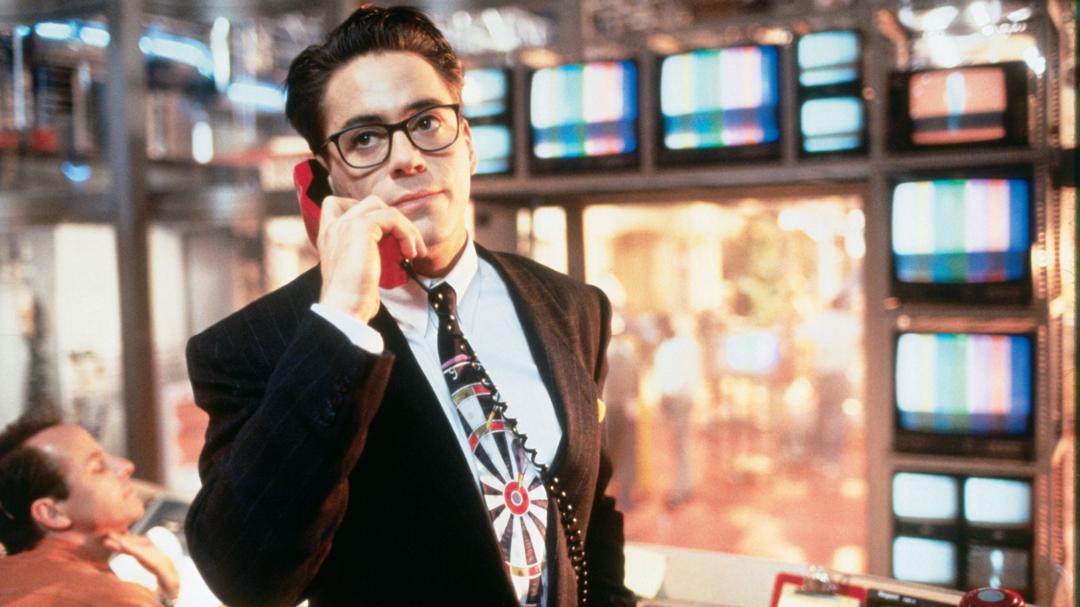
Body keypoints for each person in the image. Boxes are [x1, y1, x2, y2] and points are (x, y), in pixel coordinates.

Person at [183, 5, 634, 606]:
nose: (408, 157)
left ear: (466, 143)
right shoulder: (253, 346)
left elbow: (590, 511)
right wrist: (341, 320)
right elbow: (248, 580)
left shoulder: (572, 306)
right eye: (365, 139)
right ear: (326, 179)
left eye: (426, 121)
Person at [0, 409, 179, 606]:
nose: (126, 466)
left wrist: (165, 594)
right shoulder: (113, 598)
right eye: (98, 467)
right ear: (53, 513)